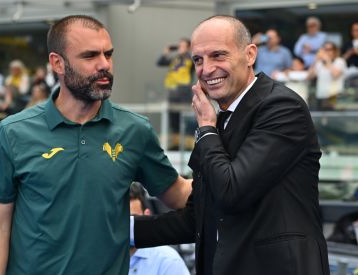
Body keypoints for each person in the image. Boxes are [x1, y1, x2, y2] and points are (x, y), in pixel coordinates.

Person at [0, 15, 191, 275]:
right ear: (57, 63)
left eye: (108, 54)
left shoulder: (135, 130)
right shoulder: (14, 132)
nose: (104, 65)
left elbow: (179, 194)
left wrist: (237, 177)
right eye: (90, 56)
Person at [133, 15, 330, 275]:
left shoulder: (281, 106)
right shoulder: (220, 120)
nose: (206, 69)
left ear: (250, 55)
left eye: (218, 55)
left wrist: (205, 127)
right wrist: (123, 230)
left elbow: (231, 192)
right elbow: (198, 219)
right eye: (198, 60)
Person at [129, 182, 190, 275]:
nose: (125, 226)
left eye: (133, 218)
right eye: (119, 219)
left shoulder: (168, 261)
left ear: (146, 215)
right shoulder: (102, 258)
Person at [157, 38, 194, 149]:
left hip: (184, 95)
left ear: (188, 48)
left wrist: (190, 51)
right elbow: (160, 62)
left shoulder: (190, 59)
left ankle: (186, 146)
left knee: (184, 120)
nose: (180, 48)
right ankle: (176, 146)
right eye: (179, 46)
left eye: (183, 46)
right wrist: (167, 51)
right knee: (173, 122)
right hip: (173, 94)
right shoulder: (175, 59)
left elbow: (197, 60)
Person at [308, 41, 347, 110]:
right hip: (321, 96)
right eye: (324, 49)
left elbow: (335, 75)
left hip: (335, 96)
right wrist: (316, 61)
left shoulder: (340, 61)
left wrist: (327, 61)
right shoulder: (320, 63)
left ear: (335, 51)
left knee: (335, 118)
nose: (326, 52)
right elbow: (309, 77)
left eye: (329, 49)